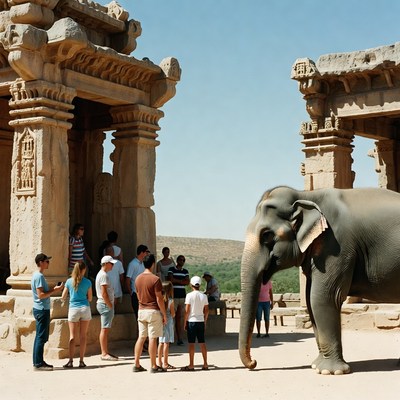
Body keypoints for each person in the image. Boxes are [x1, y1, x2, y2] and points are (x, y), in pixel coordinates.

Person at [133, 254, 167, 373]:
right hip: (153, 311)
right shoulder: (155, 279)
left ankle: (136, 363)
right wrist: (164, 314)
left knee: (141, 337)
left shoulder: (137, 279)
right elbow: (159, 298)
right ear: (153, 264)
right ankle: (154, 365)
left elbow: (138, 295)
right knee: (153, 338)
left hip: (141, 310)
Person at [31, 253, 64, 371]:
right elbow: (41, 295)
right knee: (41, 337)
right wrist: (54, 290)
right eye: (47, 261)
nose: (48, 263)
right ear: (41, 262)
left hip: (39, 308)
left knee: (40, 337)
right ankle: (38, 363)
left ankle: (38, 361)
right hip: (42, 309)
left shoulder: (36, 275)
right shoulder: (39, 276)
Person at [61, 261, 92, 368]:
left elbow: (63, 296)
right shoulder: (88, 282)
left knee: (72, 336)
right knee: (83, 336)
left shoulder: (69, 281)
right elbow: (90, 298)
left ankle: (70, 360)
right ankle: (81, 361)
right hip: (85, 308)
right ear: (84, 269)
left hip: (73, 309)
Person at [181, 275, 209, 371]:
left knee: (191, 343)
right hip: (200, 321)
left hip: (191, 321)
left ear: (191, 285)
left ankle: (191, 364)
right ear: (200, 285)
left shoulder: (189, 295)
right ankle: (205, 364)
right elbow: (206, 310)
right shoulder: (204, 296)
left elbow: (187, 311)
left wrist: (185, 322)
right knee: (202, 343)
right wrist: (205, 321)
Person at [96, 255, 118, 361]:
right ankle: (104, 353)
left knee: (105, 329)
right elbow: (104, 293)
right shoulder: (104, 275)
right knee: (104, 329)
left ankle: (105, 351)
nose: (112, 265)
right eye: (111, 263)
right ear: (105, 264)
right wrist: (110, 304)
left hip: (104, 303)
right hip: (105, 304)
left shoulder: (102, 274)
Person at [168, 255, 189, 346]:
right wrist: (181, 281)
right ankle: (169, 338)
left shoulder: (185, 271)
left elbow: (187, 282)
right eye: (181, 260)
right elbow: (170, 279)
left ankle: (179, 338)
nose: (182, 261)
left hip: (182, 297)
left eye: (183, 260)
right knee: (171, 317)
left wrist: (176, 281)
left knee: (179, 318)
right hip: (174, 297)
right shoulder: (171, 269)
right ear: (177, 261)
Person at [125, 244, 149, 318]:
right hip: (136, 293)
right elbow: (128, 279)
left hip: (143, 293)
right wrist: (131, 292)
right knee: (138, 316)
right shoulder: (132, 264)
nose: (147, 254)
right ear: (142, 252)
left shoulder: (143, 264)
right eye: (146, 252)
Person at [157, 281, 176, 370]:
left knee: (160, 342)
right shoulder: (170, 301)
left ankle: (159, 362)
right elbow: (173, 314)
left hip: (160, 321)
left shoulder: (159, 300)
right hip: (168, 322)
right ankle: (165, 362)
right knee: (166, 343)